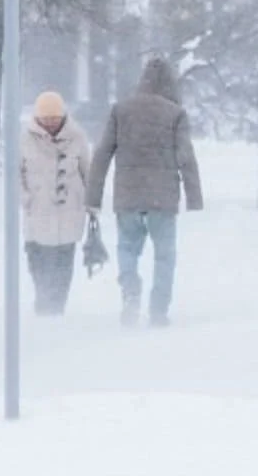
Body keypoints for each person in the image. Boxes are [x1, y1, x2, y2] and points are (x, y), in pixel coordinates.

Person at [86, 57, 203, 327]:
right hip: (162, 200)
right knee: (164, 255)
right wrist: (194, 196)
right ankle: (159, 310)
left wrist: (93, 197)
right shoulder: (175, 114)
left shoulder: (121, 110)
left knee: (127, 248)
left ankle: (130, 290)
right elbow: (186, 156)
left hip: (128, 197)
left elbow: (102, 153)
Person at [20, 91, 92, 316]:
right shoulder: (24, 139)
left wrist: (90, 202)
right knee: (38, 261)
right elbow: (15, 175)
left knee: (63, 263)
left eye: (55, 117)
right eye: (45, 117)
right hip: (38, 212)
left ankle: (57, 306)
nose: (51, 122)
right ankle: (43, 302)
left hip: (68, 212)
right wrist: (26, 199)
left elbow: (87, 172)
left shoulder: (77, 137)